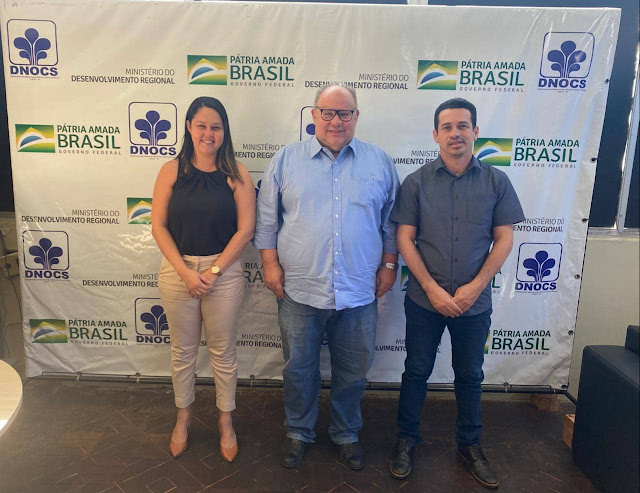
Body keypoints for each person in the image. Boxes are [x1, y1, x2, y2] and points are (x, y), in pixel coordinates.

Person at [254, 84, 400, 470]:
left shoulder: (379, 162)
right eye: (328, 112)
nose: (336, 121)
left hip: (359, 289)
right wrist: (269, 264)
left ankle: (346, 432)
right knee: (299, 369)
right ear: (314, 115)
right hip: (299, 288)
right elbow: (267, 220)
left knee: (352, 371)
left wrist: (389, 265)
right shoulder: (286, 160)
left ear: (356, 116)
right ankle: (298, 431)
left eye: (345, 113)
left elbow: (392, 223)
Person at [389, 98, 525, 488]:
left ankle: (470, 446)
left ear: (475, 131)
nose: (455, 134)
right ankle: (405, 441)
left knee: (469, 375)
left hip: (474, 303)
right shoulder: (415, 182)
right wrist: (432, 289)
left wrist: (474, 288)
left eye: (463, 126)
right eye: (447, 127)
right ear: (435, 135)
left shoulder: (497, 181)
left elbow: (504, 239)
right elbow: (404, 239)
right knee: (416, 371)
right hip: (424, 300)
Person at [152, 96, 255, 462]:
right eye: (201, 126)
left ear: (224, 131)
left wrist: (211, 272)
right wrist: (186, 273)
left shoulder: (237, 174)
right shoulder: (171, 171)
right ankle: (184, 418)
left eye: (216, 127)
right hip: (177, 271)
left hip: (222, 274)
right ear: (188, 127)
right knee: (182, 352)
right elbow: (158, 226)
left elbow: (245, 230)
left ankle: (226, 422)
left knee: (223, 353)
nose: (208, 134)